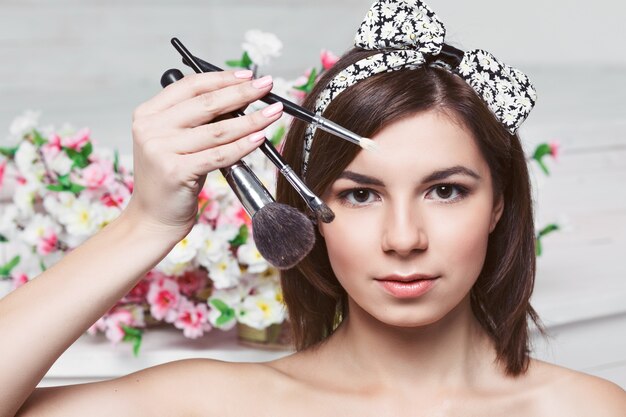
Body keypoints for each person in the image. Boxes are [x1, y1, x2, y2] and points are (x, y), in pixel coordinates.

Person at [2, 1, 625, 416]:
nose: (403, 238)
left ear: (499, 206)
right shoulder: (218, 403)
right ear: (304, 208)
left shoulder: (590, 409)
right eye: (359, 194)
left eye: (445, 190)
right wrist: (149, 222)